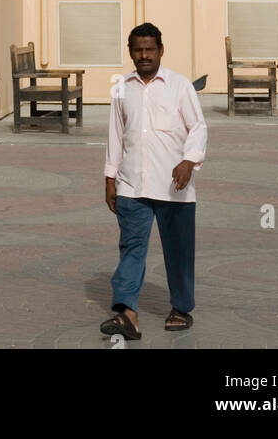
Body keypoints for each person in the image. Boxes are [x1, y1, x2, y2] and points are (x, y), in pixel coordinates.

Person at [101, 22, 208, 338]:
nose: (144, 55)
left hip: (174, 187)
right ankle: (127, 313)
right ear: (130, 52)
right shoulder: (122, 88)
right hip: (132, 185)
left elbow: (198, 127)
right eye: (138, 50)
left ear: (161, 50)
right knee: (131, 247)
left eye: (150, 49)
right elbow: (115, 135)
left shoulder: (180, 86)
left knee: (178, 251)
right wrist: (110, 178)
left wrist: (189, 160)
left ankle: (181, 307)